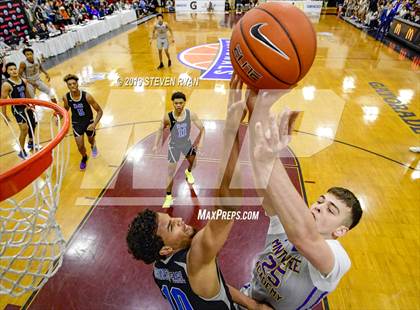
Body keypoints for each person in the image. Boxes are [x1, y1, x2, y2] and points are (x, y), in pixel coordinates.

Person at [127, 74, 272, 310]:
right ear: (165, 249)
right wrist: (231, 128)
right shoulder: (197, 256)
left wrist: (252, 305)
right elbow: (227, 207)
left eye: (170, 218)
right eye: (172, 226)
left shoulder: (159, 269)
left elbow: (215, 285)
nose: (179, 219)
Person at [239, 88, 363, 309]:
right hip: (246, 298)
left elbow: (303, 237)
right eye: (321, 200)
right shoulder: (289, 224)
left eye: (331, 210)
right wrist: (257, 109)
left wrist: (270, 158)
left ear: (340, 231)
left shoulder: (338, 258)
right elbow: (264, 185)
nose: (318, 207)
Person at [153, 91, 205, 208]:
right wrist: (156, 144)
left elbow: (203, 128)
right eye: (176, 103)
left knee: (194, 163)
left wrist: (201, 142)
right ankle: (168, 197)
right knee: (171, 172)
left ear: (184, 103)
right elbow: (160, 129)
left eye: (181, 103)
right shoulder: (168, 117)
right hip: (174, 146)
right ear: (173, 103)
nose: (178, 105)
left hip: (186, 143)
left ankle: (188, 172)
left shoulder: (191, 114)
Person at [62, 74, 103, 170]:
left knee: (91, 140)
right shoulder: (66, 97)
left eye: (74, 83)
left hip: (89, 122)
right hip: (77, 124)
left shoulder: (87, 96)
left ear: (77, 84)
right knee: (80, 146)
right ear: (67, 86)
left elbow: (100, 111)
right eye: (70, 84)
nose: (72, 86)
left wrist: (94, 124)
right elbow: (65, 109)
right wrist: (58, 116)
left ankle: (93, 146)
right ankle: (84, 157)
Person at [1, 62, 36, 159]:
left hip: (26, 106)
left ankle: (31, 142)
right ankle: (21, 150)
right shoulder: (6, 85)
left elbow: (27, 93)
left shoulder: (23, 80)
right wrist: (4, 116)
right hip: (17, 109)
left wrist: (31, 103)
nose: (13, 71)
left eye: (14, 68)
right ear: (7, 72)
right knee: (24, 129)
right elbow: (3, 101)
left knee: (32, 125)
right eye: (10, 69)